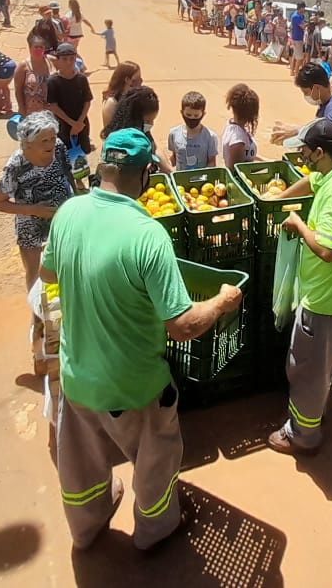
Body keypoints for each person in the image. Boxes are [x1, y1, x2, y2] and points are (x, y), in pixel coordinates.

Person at [42, 129, 242, 550]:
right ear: (146, 174)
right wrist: (222, 303)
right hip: (132, 386)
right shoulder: (147, 234)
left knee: (82, 465)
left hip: (76, 376)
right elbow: (183, 325)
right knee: (155, 460)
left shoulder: (68, 213)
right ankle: (154, 530)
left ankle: (86, 528)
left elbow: (48, 274)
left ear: (102, 168)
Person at [267, 118, 332, 455]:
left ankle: (303, 435)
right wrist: (278, 199)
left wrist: (297, 222)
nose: (304, 156)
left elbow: (327, 250)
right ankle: (313, 412)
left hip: (326, 302)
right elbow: (313, 181)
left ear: (321, 151)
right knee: (321, 362)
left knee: (307, 369)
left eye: (306, 151)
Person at [0, 109, 74, 299]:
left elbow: (68, 174)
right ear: (27, 144)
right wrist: (34, 210)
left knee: (65, 271)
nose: (51, 144)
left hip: (61, 223)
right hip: (31, 229)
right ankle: (37, 319)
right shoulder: (16, 165)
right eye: (44, 141)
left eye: (52, 138)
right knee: (36, 276)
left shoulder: (59, 147)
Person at [102, 86, 171, 171]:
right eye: (148, 120)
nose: (151, 124)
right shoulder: (120, 142)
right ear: (135, 118)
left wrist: (169, 171)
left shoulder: (142, 131)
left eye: (153, 120)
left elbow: (155, 149)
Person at [48, 43, 94, 158]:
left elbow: (87, 101)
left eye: (72, 59)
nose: (69, 62)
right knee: (65, 154)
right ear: (57, 60)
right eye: (64, 59)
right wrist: (72, 123)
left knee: (81, 154)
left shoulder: (81, 79)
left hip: (81, 122)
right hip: (63, 125)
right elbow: (53, 106)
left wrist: (79, 123)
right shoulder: (53, 81)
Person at [168, 92, 218, 171]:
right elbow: (175, 157)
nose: (192, 118)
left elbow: (212, 162)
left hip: (202, 181)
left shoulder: (210, 137)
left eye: (196, 116)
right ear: (182, 113)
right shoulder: (174, 133)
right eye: (188, 115)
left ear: (203, 114)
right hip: (180, 181)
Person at [221, 83, 259, 169]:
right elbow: (236, 170)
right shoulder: (238, 141)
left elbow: (247, 154)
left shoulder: (232, 125)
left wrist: (266, 160)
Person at [15, 36, 52, 116]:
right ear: (30, 48)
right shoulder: (23, 66)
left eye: (41, 47)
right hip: (31, 109)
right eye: (36, 47)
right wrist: (21, 107)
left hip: (49, 109)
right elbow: (18, 89)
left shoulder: (51, 61)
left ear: (44, 49)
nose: (38, 49)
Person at [100, 61, 142, 128]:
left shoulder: (137, 98)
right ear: (127, 80)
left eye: (141, 80)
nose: (140, 83)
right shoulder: (112, 103)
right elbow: (108, 131)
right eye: (136, 80)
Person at [288, 2, 307, 76]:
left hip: (298, 37)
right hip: (297, 38)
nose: (304, 9)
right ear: (301, 8)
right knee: (300, 57)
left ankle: (292, 71)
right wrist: (309, 23)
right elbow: (302, 26)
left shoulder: (300, 16)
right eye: (303, 8)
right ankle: (296, 72)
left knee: (295, 56)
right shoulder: (296, 16)